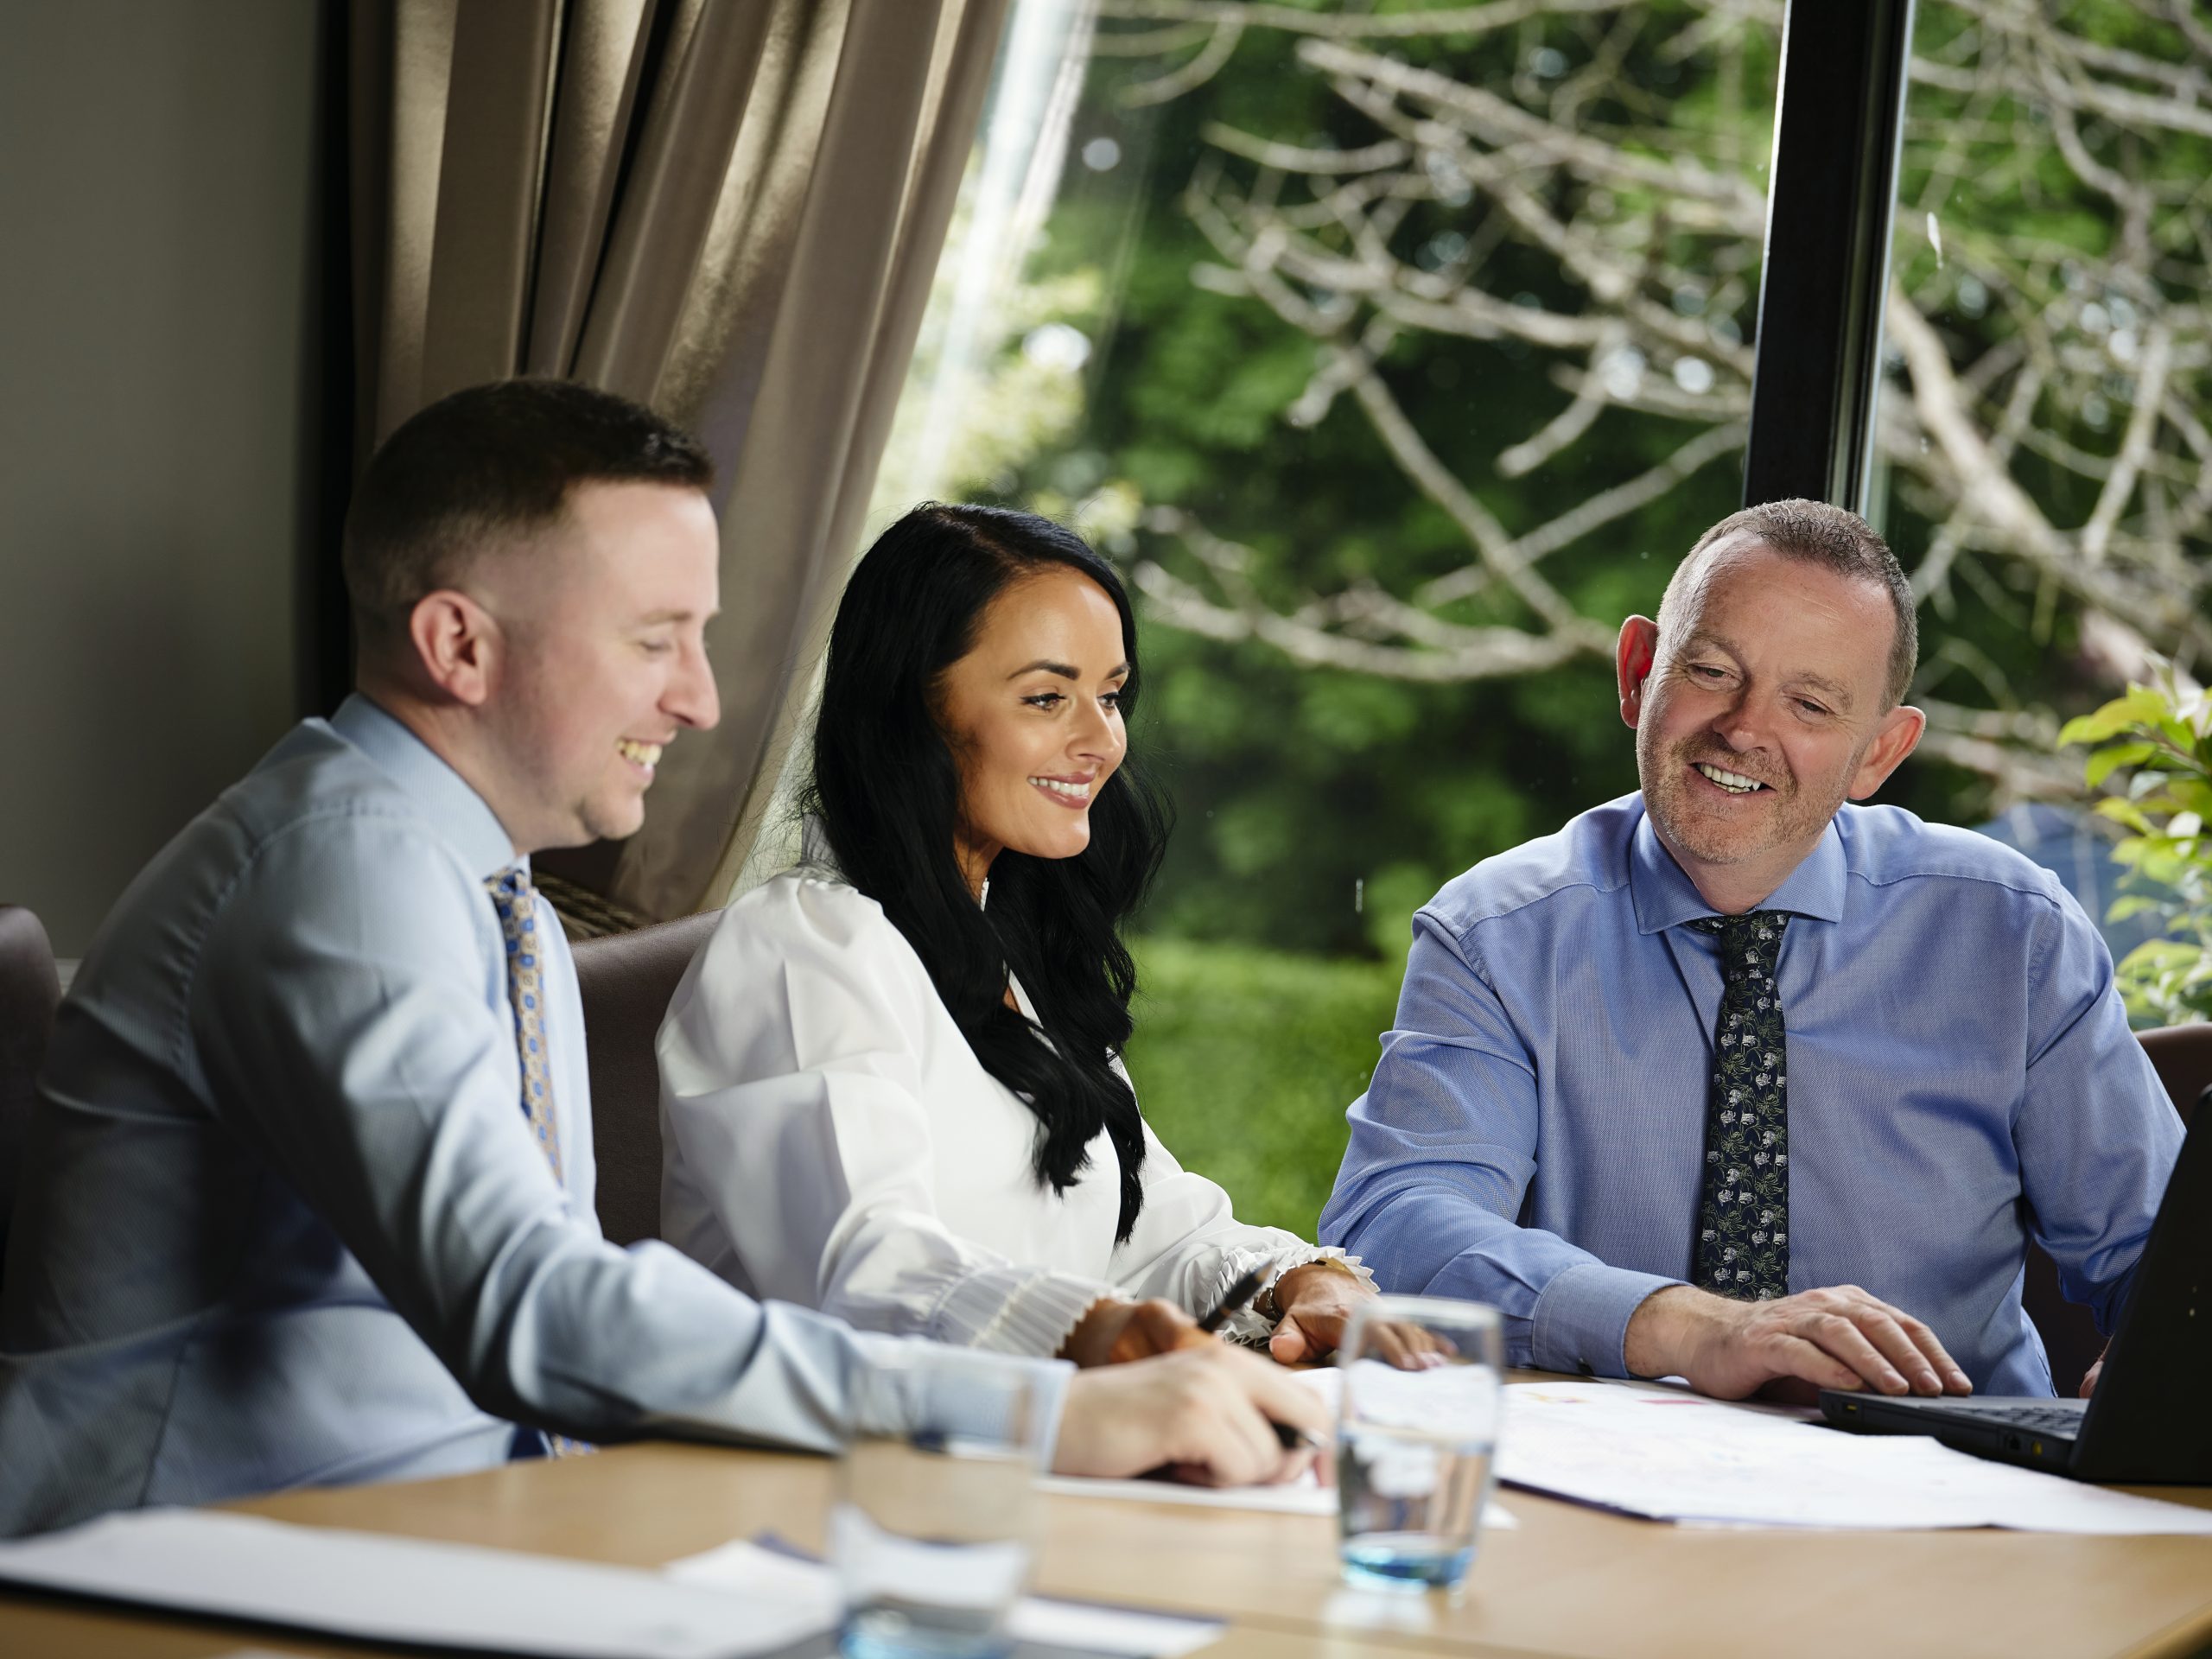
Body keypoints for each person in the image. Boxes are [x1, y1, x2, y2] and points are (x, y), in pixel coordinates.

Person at [0, 385, 1325, 1537]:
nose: (699, 699)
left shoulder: (454, 875)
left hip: (432, 1531)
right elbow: (532, 1308)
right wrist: (1041, 1410)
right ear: (459, 644)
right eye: (654, 640)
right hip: (188, 1567)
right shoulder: (342, 876)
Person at [1320, 499, 2183, 1402]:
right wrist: (1690, 1327)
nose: (1742, 728)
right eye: (1710, 670)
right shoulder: (1496, 934)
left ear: (1878, 754)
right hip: (1610, 1483)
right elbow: (1395, 1225)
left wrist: (2164, 1359)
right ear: (1637, 671)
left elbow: (2164, 1259)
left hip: (1942, 1479)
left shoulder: (2014, 935)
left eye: (1809, 703)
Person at [658, 505, 1374, 1368]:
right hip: (813, 1482)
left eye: (1109, 696)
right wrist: (1106, 1334)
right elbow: (867, 1276)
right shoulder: (803, 946)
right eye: (1046, 697)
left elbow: (1142, 1244)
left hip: (1011, 1461)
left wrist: (1293, 1283)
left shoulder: (1013, 948)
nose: (1101, 741)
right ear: (908, 710)